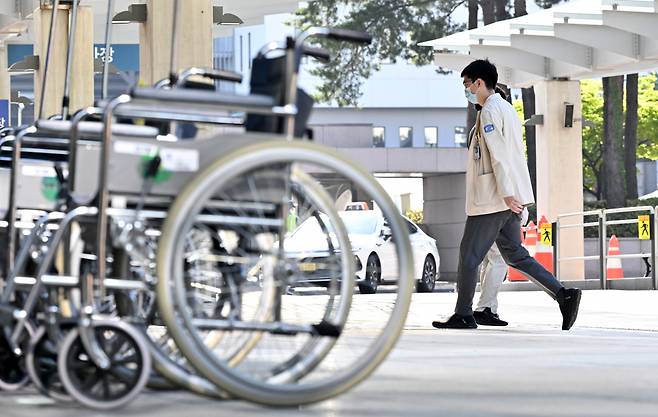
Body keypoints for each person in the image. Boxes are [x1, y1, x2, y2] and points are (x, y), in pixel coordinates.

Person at [432, 59, 582, 330]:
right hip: (509, 197)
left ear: (479, 82)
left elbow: (499, 155)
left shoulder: (489, 111)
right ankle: (563, 294)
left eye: (467, 84)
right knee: (515, 255)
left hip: (494, 199)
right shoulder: (506, 108)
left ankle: (464, 313)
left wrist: (505, 193)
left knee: (469, 256)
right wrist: (513, 195)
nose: (466, 90)